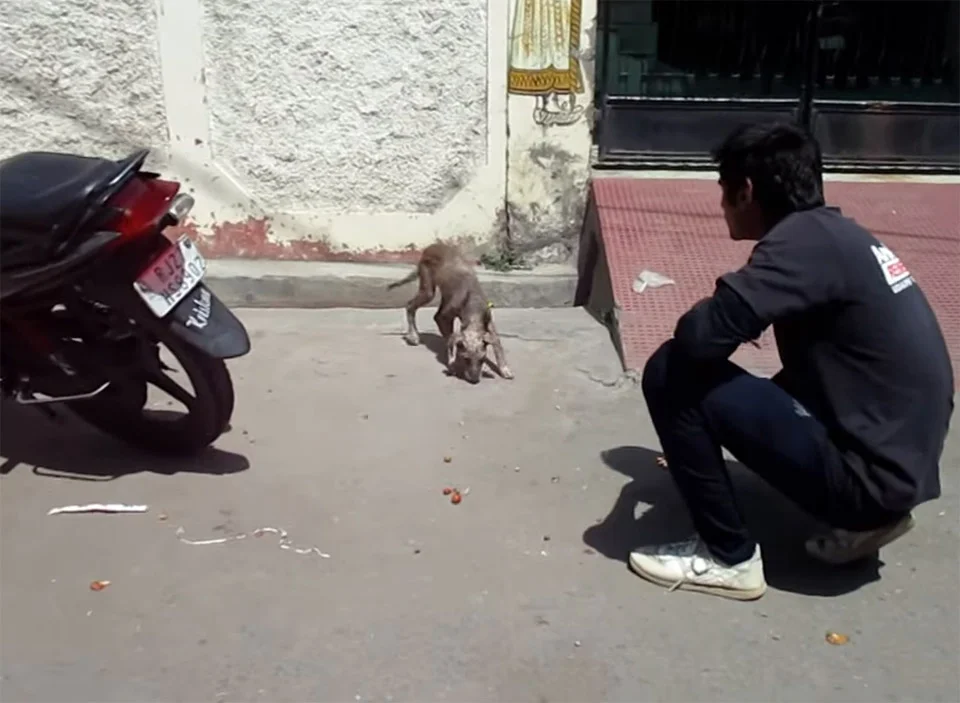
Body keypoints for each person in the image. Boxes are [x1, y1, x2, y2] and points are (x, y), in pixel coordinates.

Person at [630, 122, 954, 601]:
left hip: (870, 481)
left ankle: (729, 557)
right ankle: (870, 518)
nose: (721, 206)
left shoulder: (798, 247)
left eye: (724, 192)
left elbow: (699, 338)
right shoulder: (839, 235)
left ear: (745, 191)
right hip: (902, 465)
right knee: (755, 383)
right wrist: (694, 444)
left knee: (668, 369)